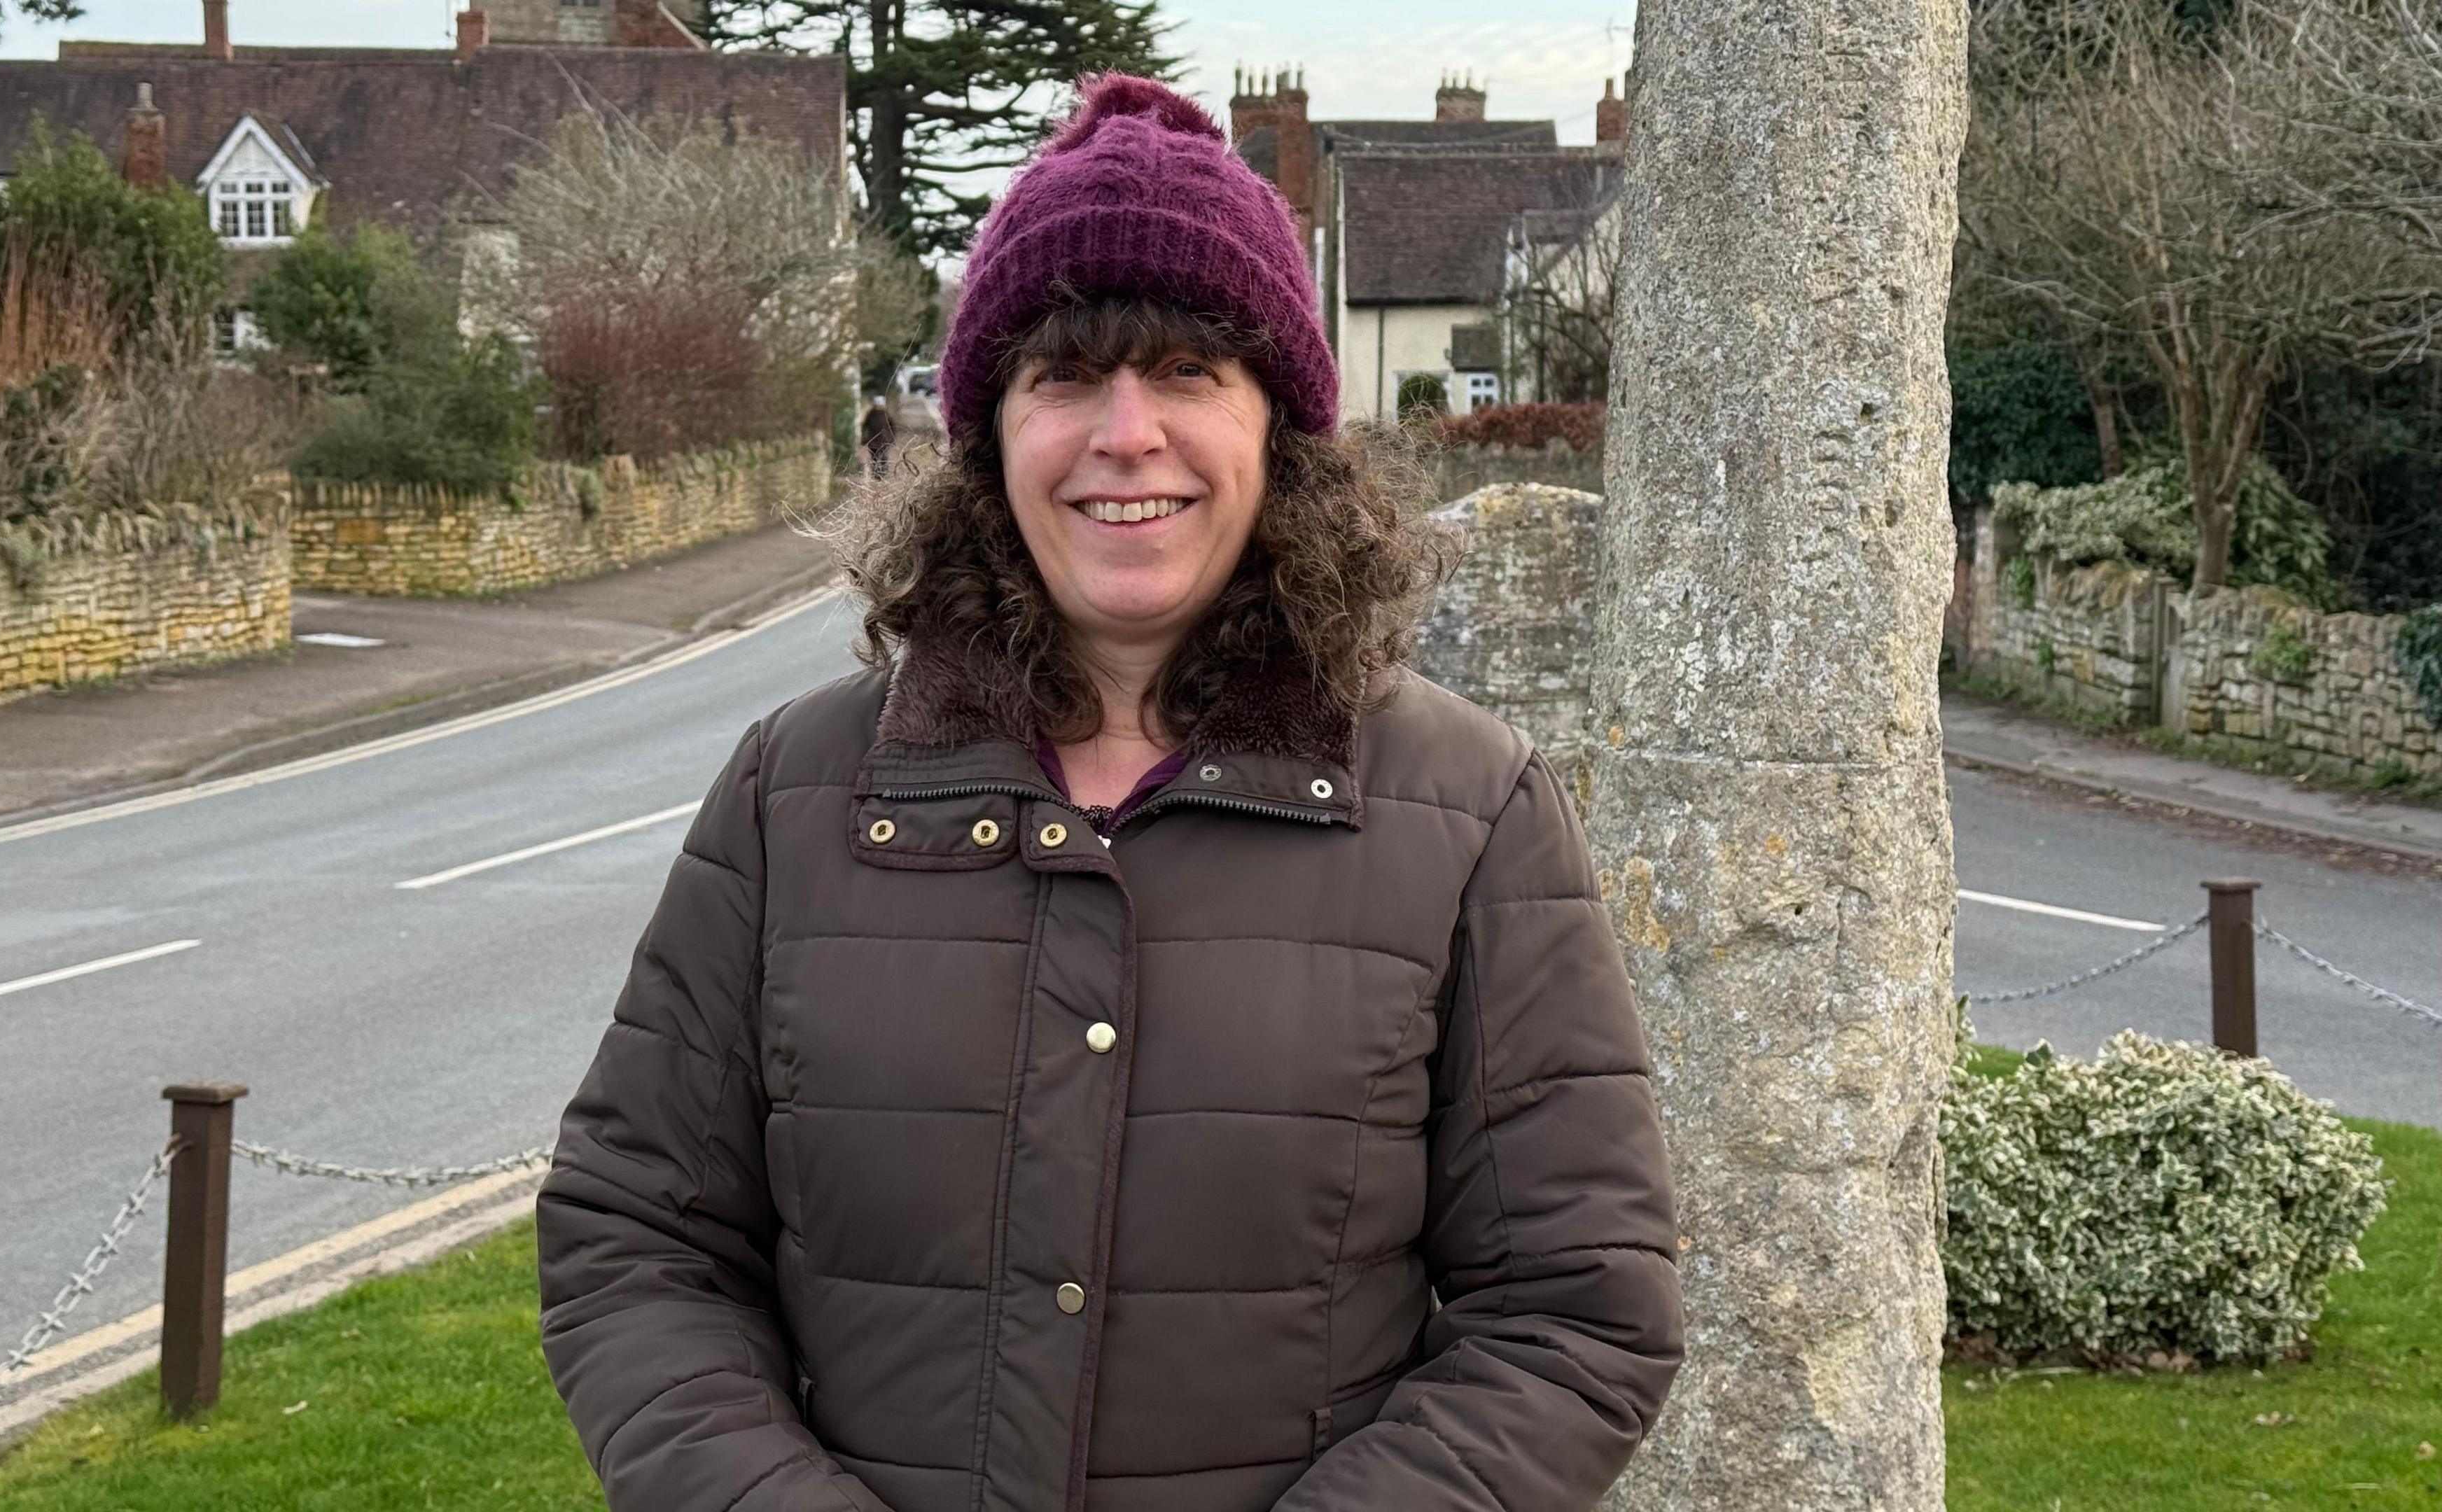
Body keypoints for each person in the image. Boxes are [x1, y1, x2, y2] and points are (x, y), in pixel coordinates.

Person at [537, 74, 1682, 1512]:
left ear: (1280, 429)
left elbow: (1575, 1315)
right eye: (1065, 376)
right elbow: (635, 1246)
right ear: (990, 437)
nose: (1124, 433)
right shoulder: (794, 795)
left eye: (1190, 372)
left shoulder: (1470, 812)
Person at [861, 393, 898, 479]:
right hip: (875, 441)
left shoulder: (885, 415)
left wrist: (892, 438)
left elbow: (893, 427)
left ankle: (882, 473)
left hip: (882, 440)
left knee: (882, 457)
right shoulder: (871, 415)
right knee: (876, 457)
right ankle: (878, 473)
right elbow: (865, 427)